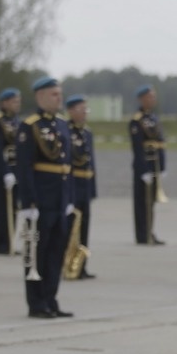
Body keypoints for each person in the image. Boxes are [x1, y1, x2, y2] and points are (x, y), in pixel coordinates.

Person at [16, 76, 75, 319]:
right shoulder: (29, 126)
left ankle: (51, 299)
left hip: (60, 200)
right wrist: (28, 202)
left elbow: (67, 165)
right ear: (40, 97)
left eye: (60, 94)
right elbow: (24, 166)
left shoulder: (62, 125)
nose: (59, 98)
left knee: (56, 252)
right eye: (54, 94)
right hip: (40, 200)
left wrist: (69, 198)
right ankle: (36, 303)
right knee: (36, 252)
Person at [129, 84, 166, 245]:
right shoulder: (136, 121)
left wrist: (163, 167)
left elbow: (160, 144)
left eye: (153, 96)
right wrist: (143, 170)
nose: (153, 100)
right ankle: (142, 234)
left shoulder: (153, 118)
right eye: (150, 97)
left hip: (155, 165)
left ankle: (149, 231)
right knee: (141, 202)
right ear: (142, 99)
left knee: (151, 202)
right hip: (143, 166)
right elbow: (137, 148)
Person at [66, 94, 98, 279]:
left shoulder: (87, 133)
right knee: (71, 227)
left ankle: (81, 266)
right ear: (71, 111)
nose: (84, 113)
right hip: (72, 183)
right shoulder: (66, 131)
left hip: (85, 184)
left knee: (85, 226)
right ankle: (68, 263)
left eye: (86, 109)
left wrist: (93, 189)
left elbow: (91, 163)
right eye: (81, 109)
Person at [0, 87, 22, 255]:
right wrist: (5, 172)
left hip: (16, 168)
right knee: (2, 208)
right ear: (5, 103)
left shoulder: (16, 121)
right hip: (3, 169)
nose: (18, 104)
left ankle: (9, 241)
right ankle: (0, 244)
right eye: (14, 101)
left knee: (13, 208)